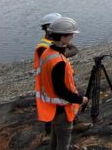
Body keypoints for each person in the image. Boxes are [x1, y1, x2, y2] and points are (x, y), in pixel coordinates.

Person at [35, 17, 88, 150]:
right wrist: (80, 99)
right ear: (63, 37)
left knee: (55, 141)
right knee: (63, 144)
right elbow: (61, 90)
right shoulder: (58, 61)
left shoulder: (48, 52)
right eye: (71, 35)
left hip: (53, 108)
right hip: (62, 109)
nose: (73, 38)